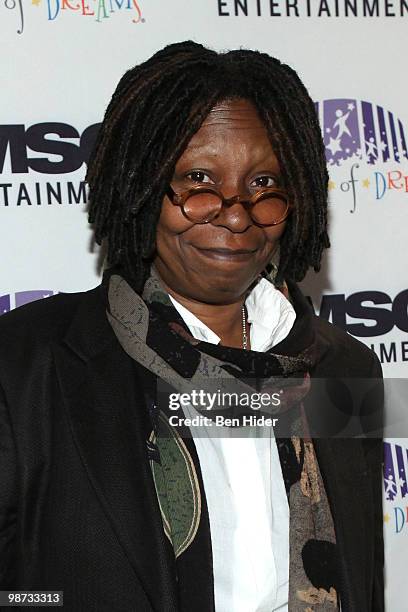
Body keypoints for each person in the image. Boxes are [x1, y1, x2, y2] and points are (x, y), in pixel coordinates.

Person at [0, 41, 383, 611]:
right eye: (198, 180)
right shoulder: (25, 367)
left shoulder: (344, 368)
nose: (235, 214)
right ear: (142, 188)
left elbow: (361, 580)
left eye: (264, 184)